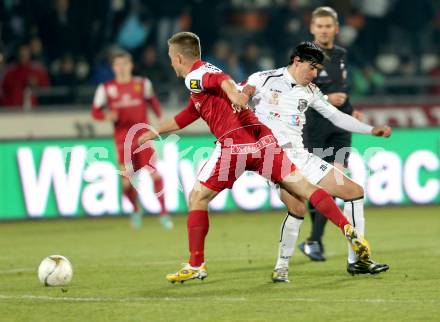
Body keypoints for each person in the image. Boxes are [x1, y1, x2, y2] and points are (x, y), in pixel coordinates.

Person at [138, 31, 373, 284]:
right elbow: (188, 114)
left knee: (198, 197)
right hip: (265, 140)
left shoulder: (194, 75)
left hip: (235, 144)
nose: (172, 63)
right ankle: (346, 228)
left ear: (178, 58)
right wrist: (155, 131)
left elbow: (219, 79)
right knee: (305, 188)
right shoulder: (200, 85)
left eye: (171, 59)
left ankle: (196, 263)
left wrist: (235, 93)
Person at [242, 41, 391, 283]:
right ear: (297, 60)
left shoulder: (310, 91)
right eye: (311, 68)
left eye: (317, 69)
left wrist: (371, 130)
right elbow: (236, 97)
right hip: (273, 158)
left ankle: (357, 260)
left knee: (354, 192)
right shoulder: (263, 79)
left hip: (301, 156)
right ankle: (282, 266)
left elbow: (337, 117)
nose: (315, 74)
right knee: (298, 207)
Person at [300, 6, 362, 262]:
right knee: (320, 186)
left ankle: (313, 240)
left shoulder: (342, 54)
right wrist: (326, 98)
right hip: (314, 127)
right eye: (320, 26)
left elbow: (342, 89)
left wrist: (351, 109)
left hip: (340, 129)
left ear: (336, 28)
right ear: (312, 29)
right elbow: (295, 91)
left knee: (336, 182)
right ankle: (314, 240)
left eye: (328, 26)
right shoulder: (303, 57)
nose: (324, 30)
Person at [91, 49, 173, 230]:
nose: (121, 68)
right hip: (122, 140)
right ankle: (136, 210)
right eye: (118, 64)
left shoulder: (142, 84)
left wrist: (159, 117)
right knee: (126, 183)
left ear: (131, 66)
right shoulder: (106, 88)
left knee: (155, 174)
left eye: (124, 64)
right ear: (113, 67)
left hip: (142, 136)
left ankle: (164, 213)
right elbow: (95, 111)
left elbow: (153, 101)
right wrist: (106, 116)